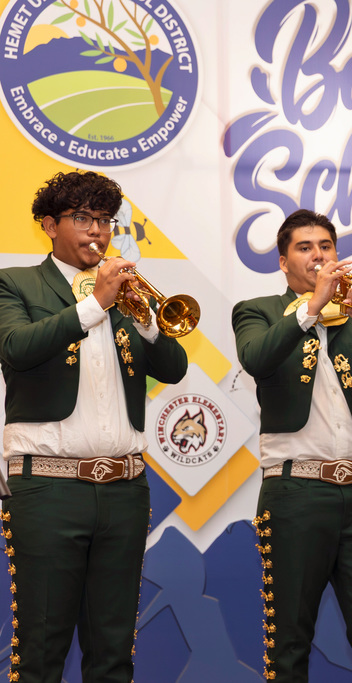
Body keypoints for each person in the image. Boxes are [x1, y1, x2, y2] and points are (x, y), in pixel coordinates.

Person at [0, 171, 189, 682]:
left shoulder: (123, 294)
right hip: (48, 488)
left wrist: (147, 316)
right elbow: (16, 348)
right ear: (49, 225)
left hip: (125, 490)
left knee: (113, 654)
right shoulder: (15, 283)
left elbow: (173, 368)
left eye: (105, 220)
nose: (98, 231)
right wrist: (95, 304)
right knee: (41, 649)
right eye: (83, 218)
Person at [231, 209, 352, 682]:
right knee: (290, 636)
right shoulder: (256, 310)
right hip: (296, 493)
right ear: (283, 262)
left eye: (325, 247)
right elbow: (257, 358)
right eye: (305, 248)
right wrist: (312, 306)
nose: (318, 256)